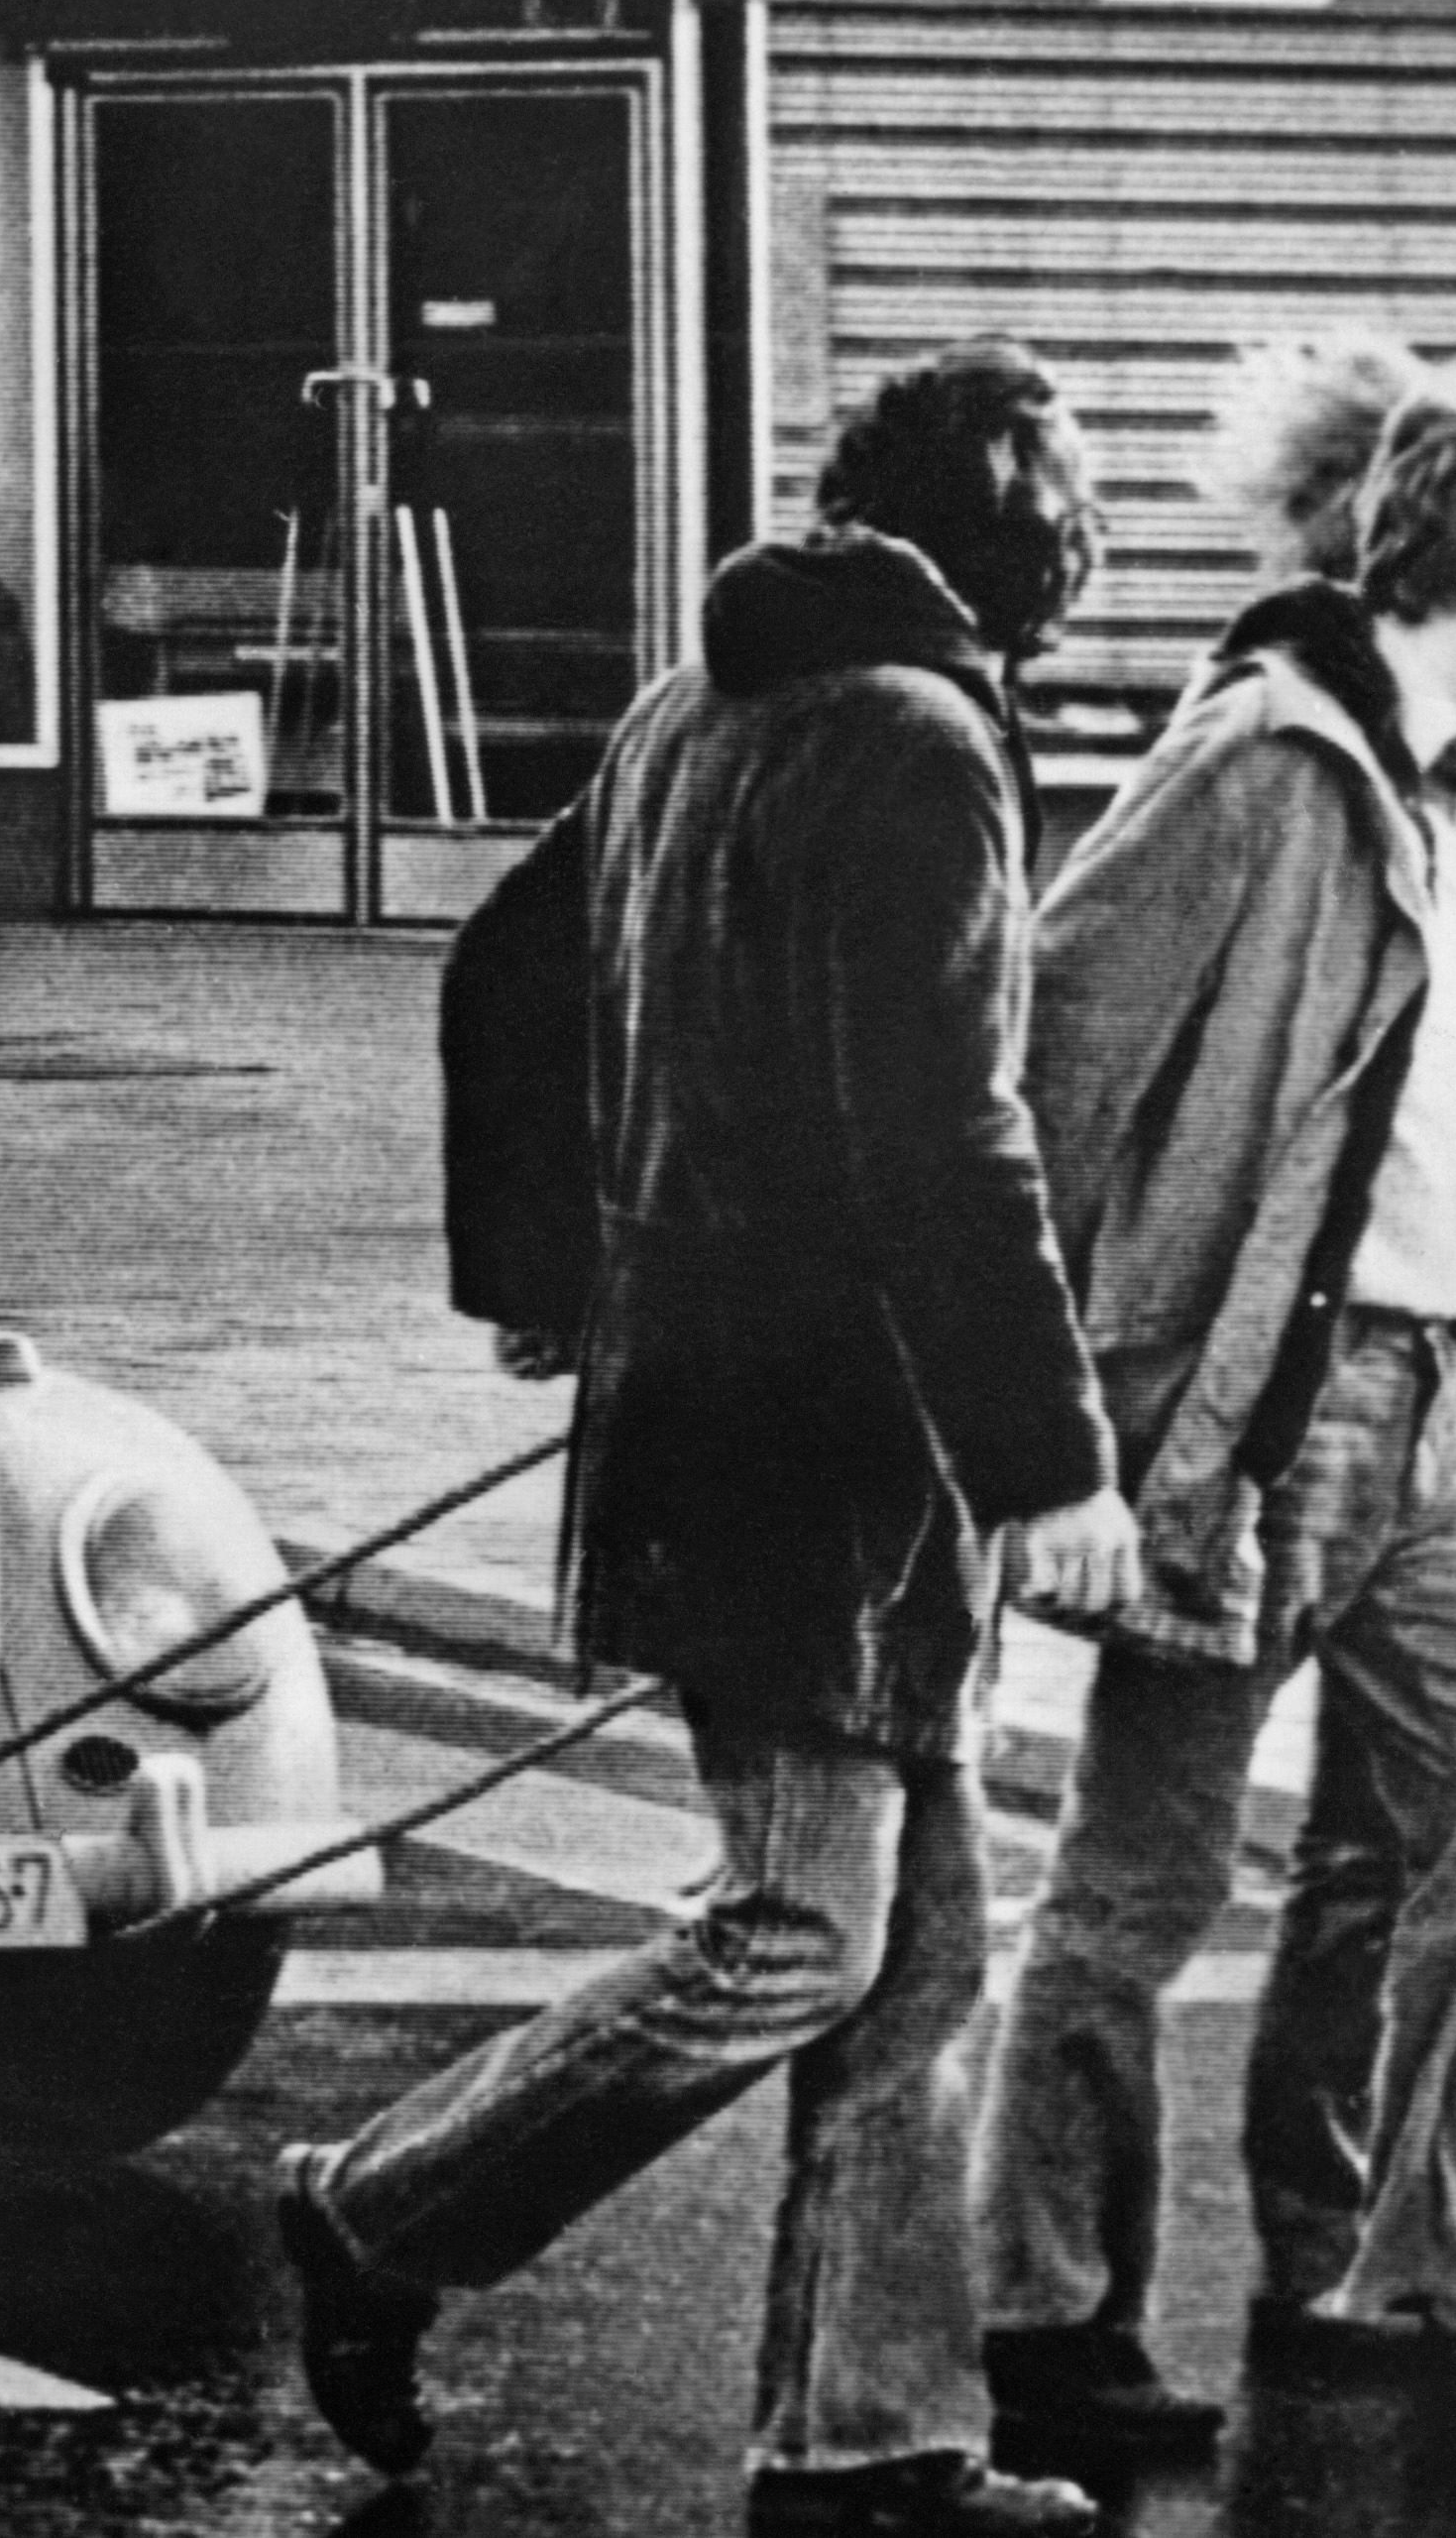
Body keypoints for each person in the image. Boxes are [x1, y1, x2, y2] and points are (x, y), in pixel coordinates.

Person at [280, 338, 1136, 2535]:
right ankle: (379, 2209)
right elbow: (952, 1143)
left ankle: (871, 2444)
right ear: (1015, 539)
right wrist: (1051, 1460)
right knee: (800, 1938)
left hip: (717, 1409)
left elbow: (506, 969)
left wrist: (551, 1281)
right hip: (821, 1451)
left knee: (925, 1945)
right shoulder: (925, 741)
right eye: (1070, 514)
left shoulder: (700, 701)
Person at [970, 375, 1456, 2442]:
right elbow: (1046, 1053)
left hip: (1424, 1392)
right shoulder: (1263, 764)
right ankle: (1042, 2309)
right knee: (1143, 1873)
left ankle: (1449, 2267)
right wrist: (1060, 1402)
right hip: (1256, 1399)